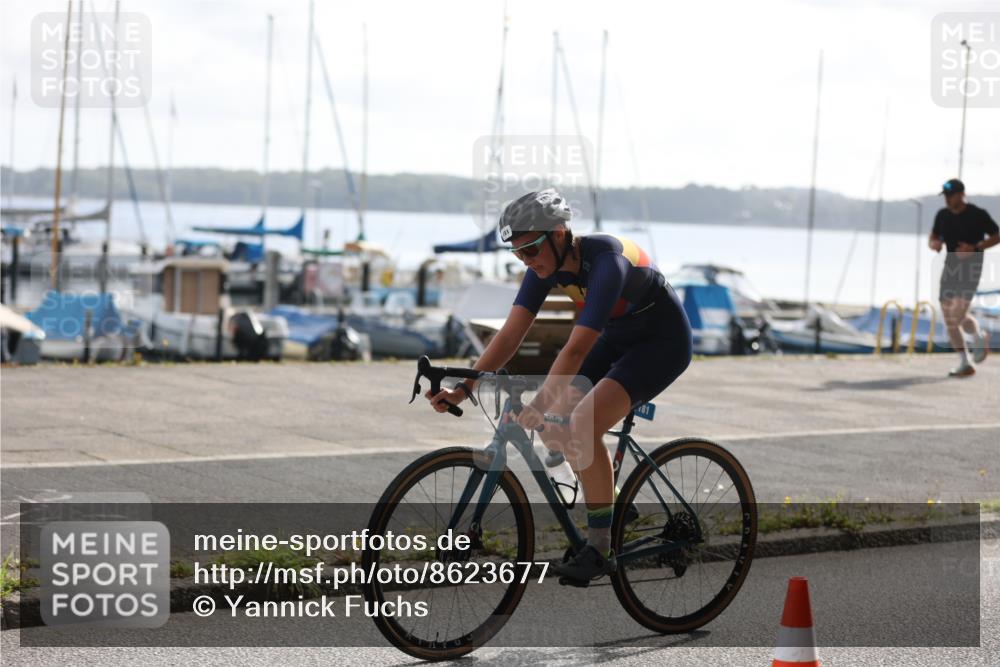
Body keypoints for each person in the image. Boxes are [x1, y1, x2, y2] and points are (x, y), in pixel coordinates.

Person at [425, 188, 693, 584]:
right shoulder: (542, 269)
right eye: (518, 255)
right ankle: (611, 503)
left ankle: (600, 547)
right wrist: (464, 389)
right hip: (619, 337)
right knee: (554, 424)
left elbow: (575, 350)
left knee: (581, 421)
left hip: (661, 344)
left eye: (531, 250)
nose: (527, 262)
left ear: (560, 234)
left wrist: (541, 401)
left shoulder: (607, 261)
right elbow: (510, 334)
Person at [929, 178, 999, 377]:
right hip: (949, 269)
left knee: (957, 316)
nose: (947, 200)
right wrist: (934, 243)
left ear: (961, 194)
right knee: (950, 319)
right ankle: (964, 361)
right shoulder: (942, 215)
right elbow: (933, 236)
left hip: (970, 270)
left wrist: (975, 247)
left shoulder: (978, 214)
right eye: (945, 196)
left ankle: (978, 336)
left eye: (950, 196)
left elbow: (997, 235)